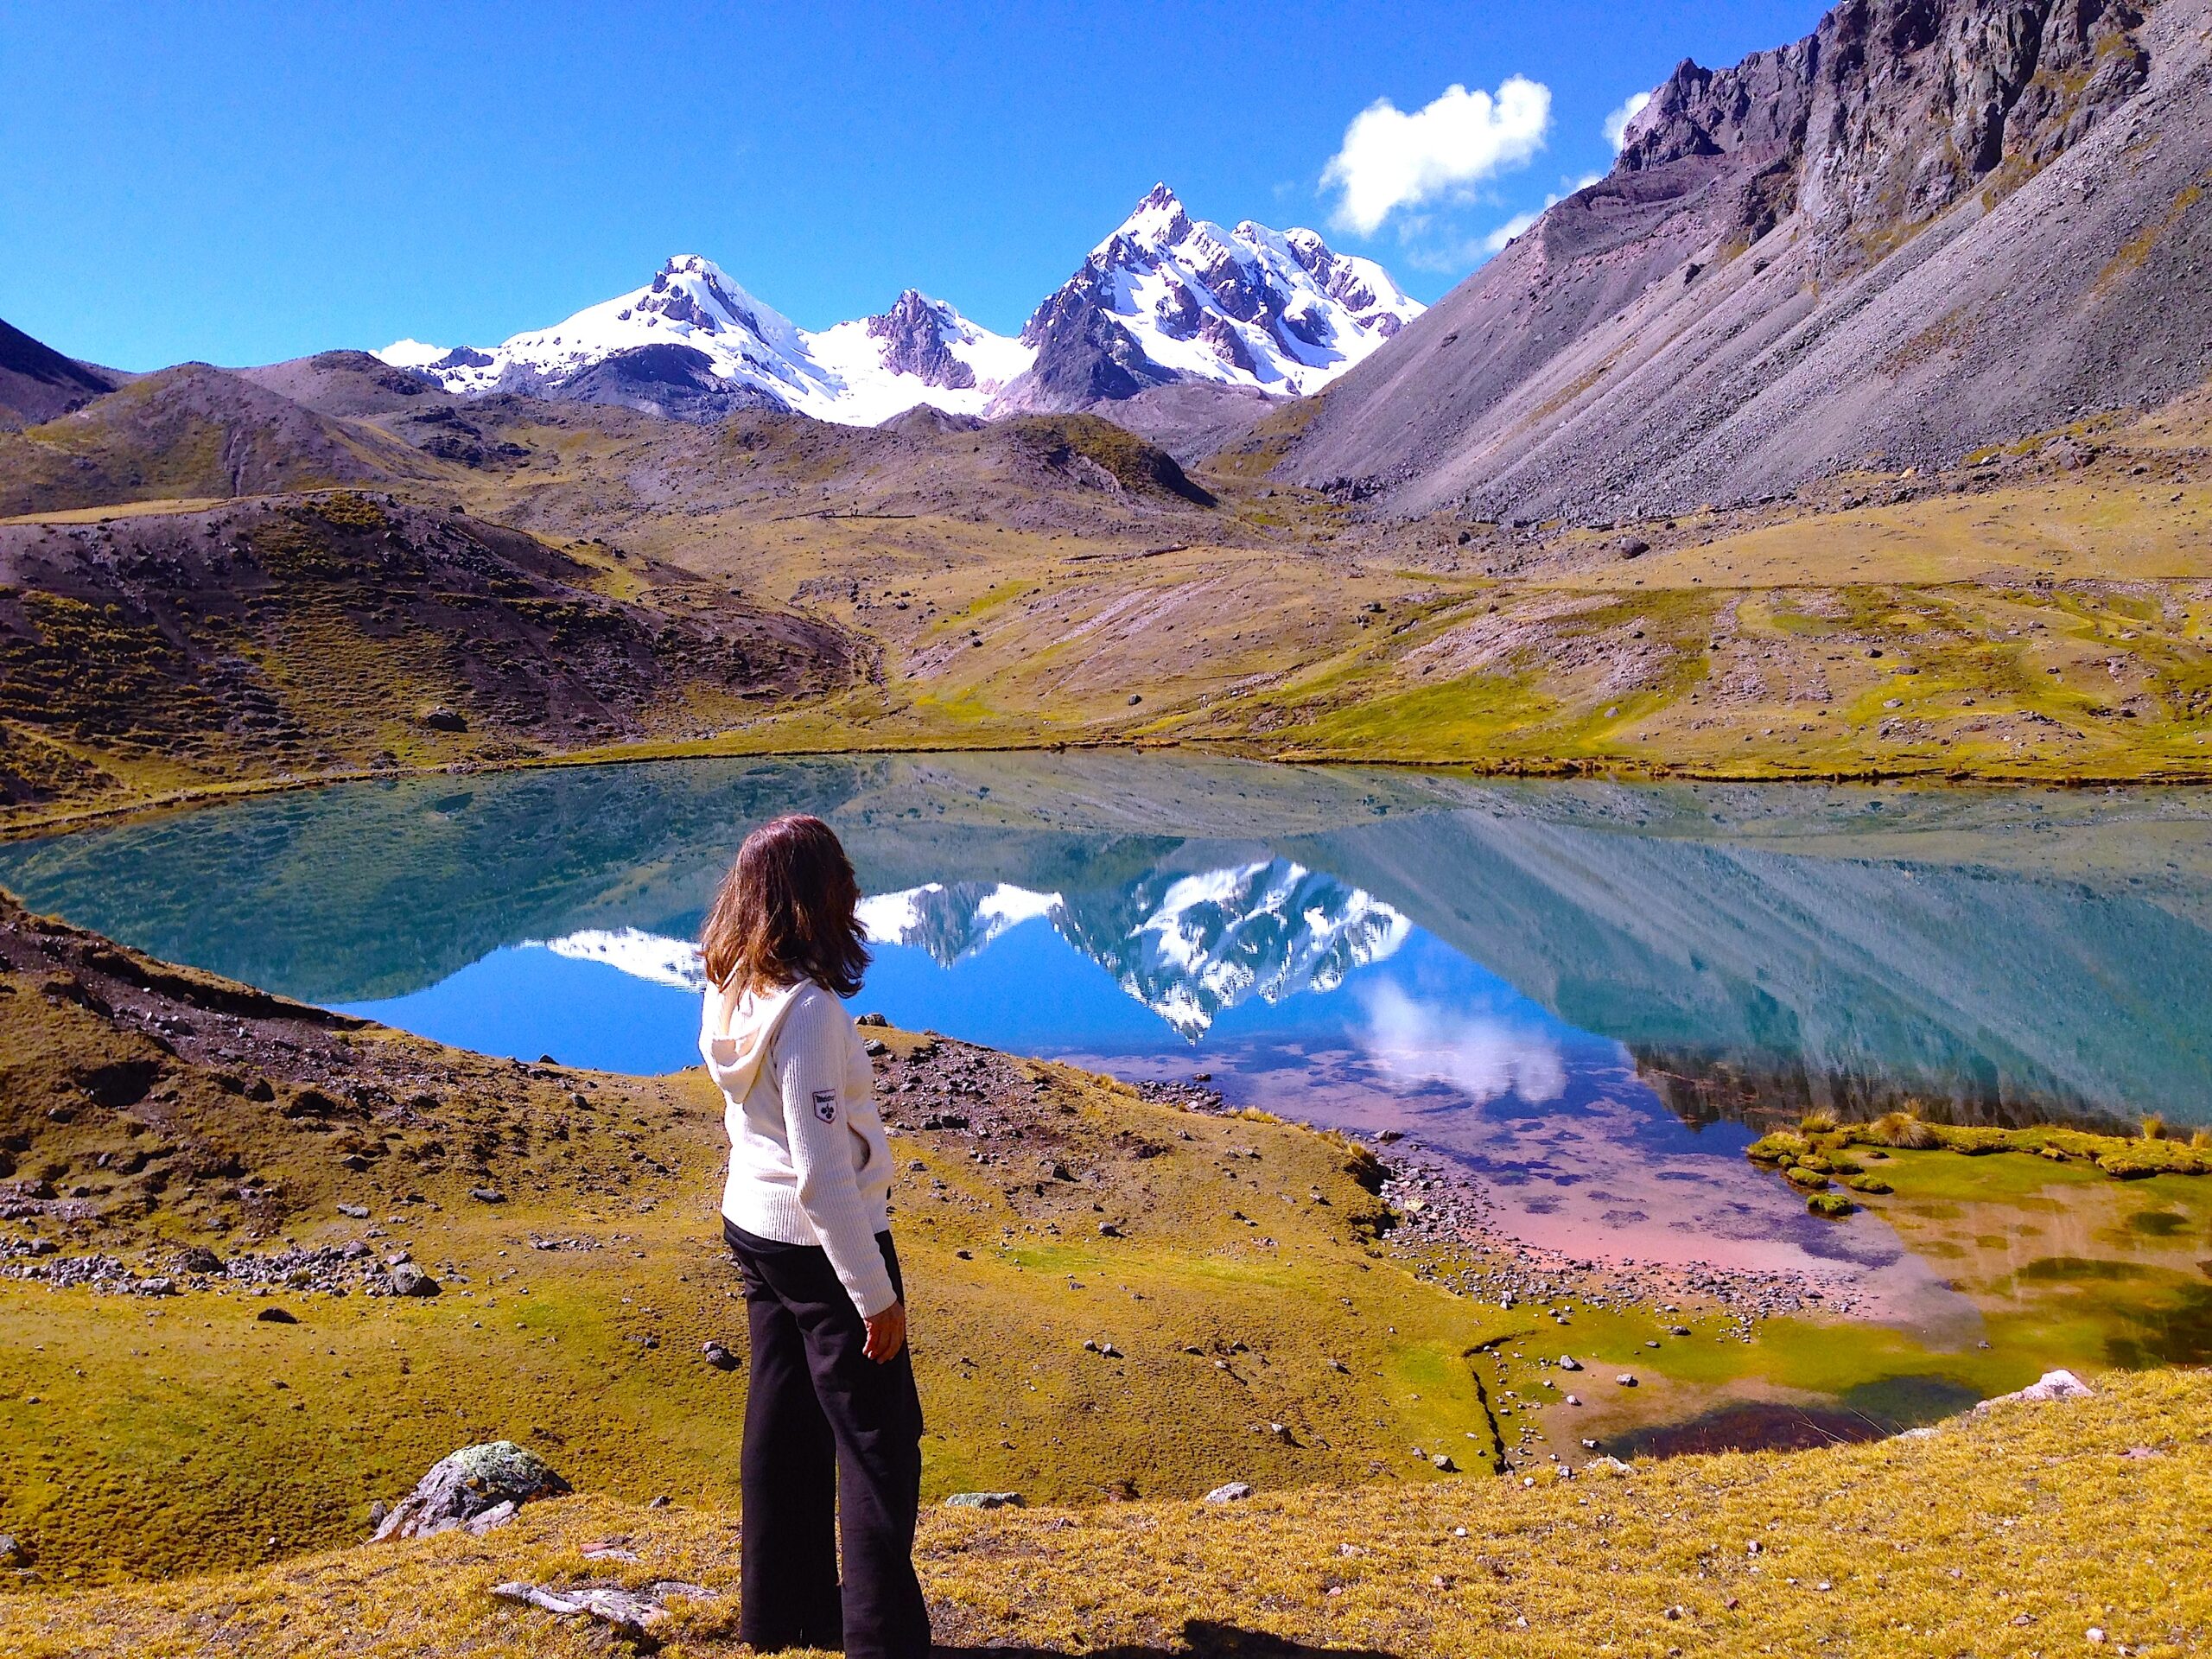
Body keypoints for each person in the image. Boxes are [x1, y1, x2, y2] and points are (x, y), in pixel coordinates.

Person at [698, 814, 930, 1659]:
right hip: (816, 1240)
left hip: (752, 1227)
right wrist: (875, 1297)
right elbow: (825, 1177)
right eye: (842, 877)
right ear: (814, 897)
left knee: (784, 1414)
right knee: (878, 1444)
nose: (855, 890)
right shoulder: (809, 1015)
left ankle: (781, 1617)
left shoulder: (731, 986)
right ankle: (880, 1642)